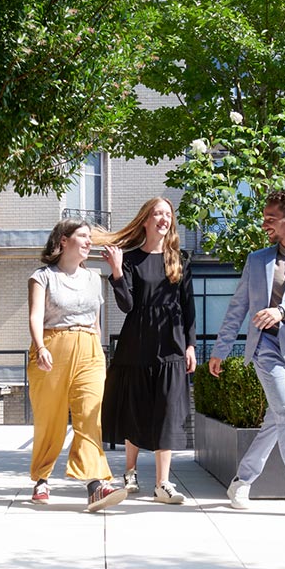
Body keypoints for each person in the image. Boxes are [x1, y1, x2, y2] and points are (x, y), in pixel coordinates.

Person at [207, 190, 285, 518]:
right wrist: (221, 348)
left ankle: (242, 480)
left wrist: (283, 311)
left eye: (270, 219)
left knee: (276, 420)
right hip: (265, 347)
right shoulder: (257, 260)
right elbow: (238, 307)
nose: (264, 224)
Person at [100, 197, 196, 505]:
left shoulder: (180, 259)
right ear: (146, 220)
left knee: (166, 411)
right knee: (136, 408)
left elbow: (188, 306)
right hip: (137, 343)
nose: (164, 218)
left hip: (172, 344)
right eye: (158, 213)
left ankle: (162, 483)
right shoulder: (130, 259)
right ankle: (130, 474)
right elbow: (127, 305)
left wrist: (191, 345)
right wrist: (117, 271)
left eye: (168, 214)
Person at [27, 219, 127, 512]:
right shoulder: (42, 277)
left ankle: (96, 485)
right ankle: (41, 477)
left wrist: (98, 350)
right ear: (63, 240)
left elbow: (95, 321)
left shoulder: (94, 278)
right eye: (82, 236)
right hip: (52, 346)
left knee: (89, 417)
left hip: (89, 350)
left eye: (89, 237)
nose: (88, 241)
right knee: (50, 419)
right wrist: (40, 347)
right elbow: (35, 316)